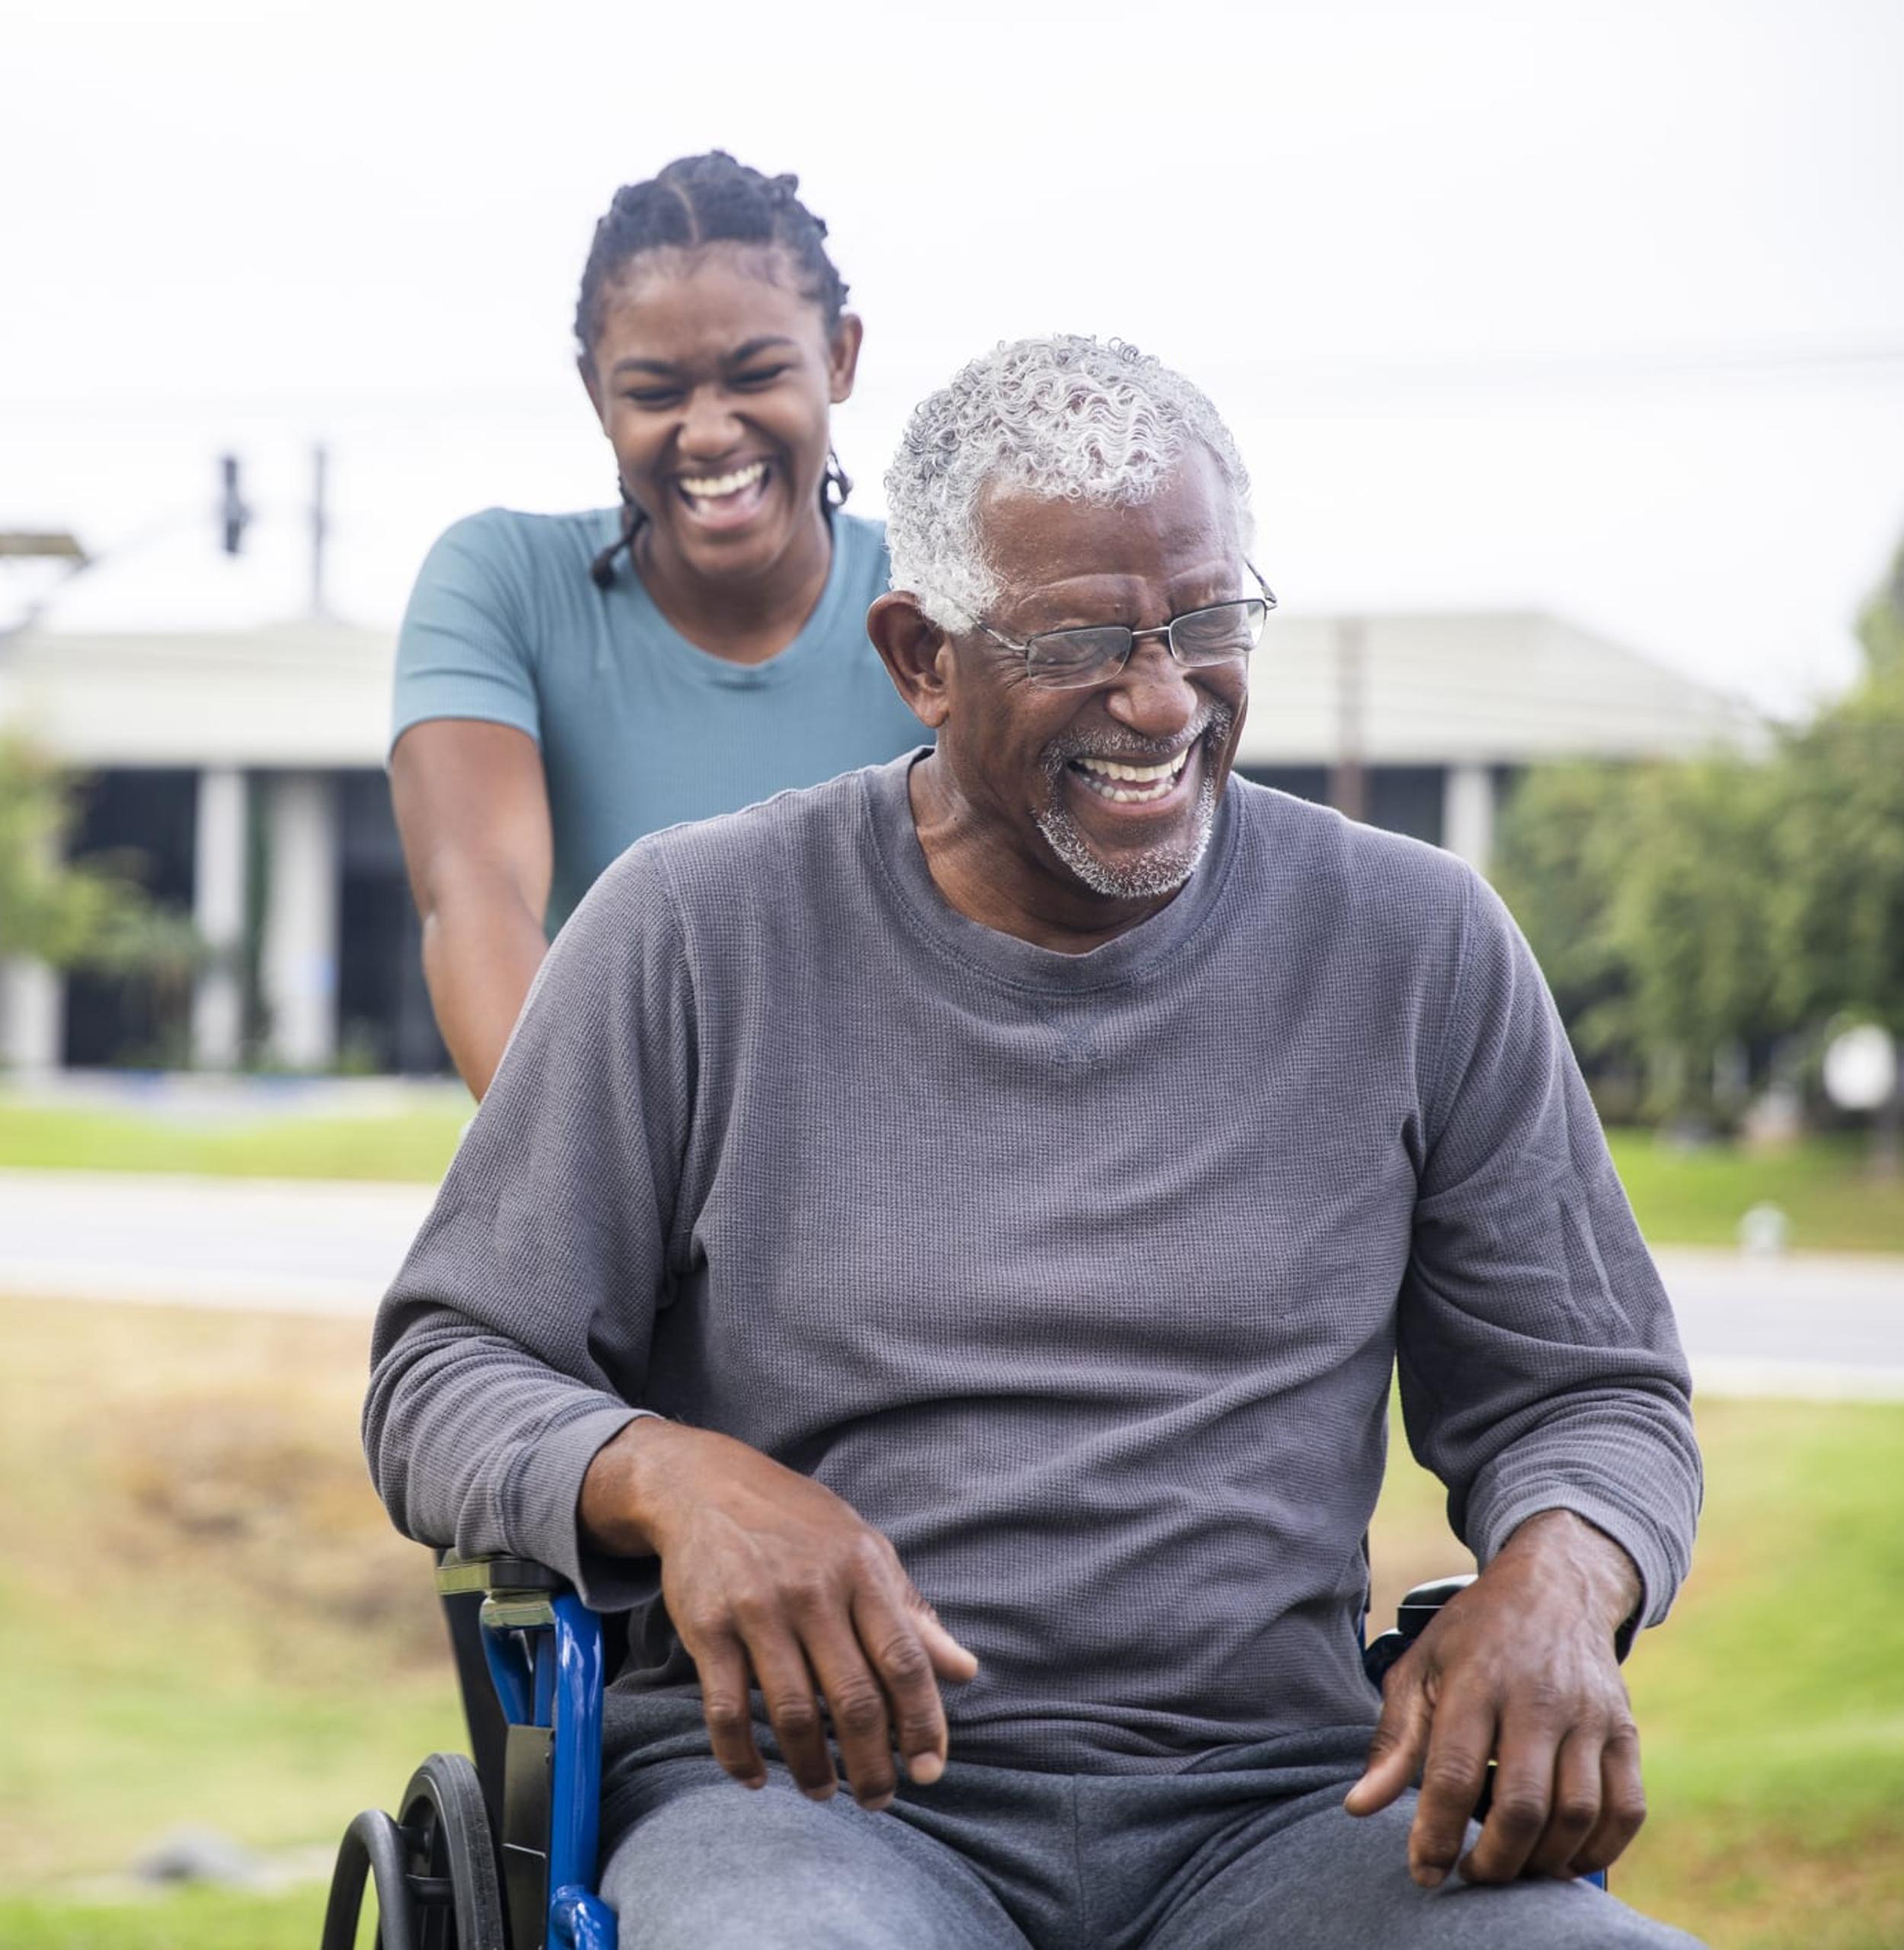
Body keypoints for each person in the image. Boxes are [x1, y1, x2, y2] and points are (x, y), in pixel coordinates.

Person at [363, 337, 1706, 1948]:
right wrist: (673, 1476)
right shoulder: (692, 927)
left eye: (1206, 621)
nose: (1162, 697)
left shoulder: (1415, 941)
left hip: (1284, 1809)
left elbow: (1595, 1390)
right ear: (922, 654)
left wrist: (1560, 1577)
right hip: (811, 1806)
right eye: (1082, 639)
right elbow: (443, 1371)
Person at [390, 152, 925, 1098]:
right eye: (655, 392)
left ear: (839, 357)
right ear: (597, 392)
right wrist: (600, 1198)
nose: (710, 431)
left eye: (756, 372)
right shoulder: (503, 584)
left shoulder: (940, 598)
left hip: (899, 1187)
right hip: (613, 1189)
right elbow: (477, 892)